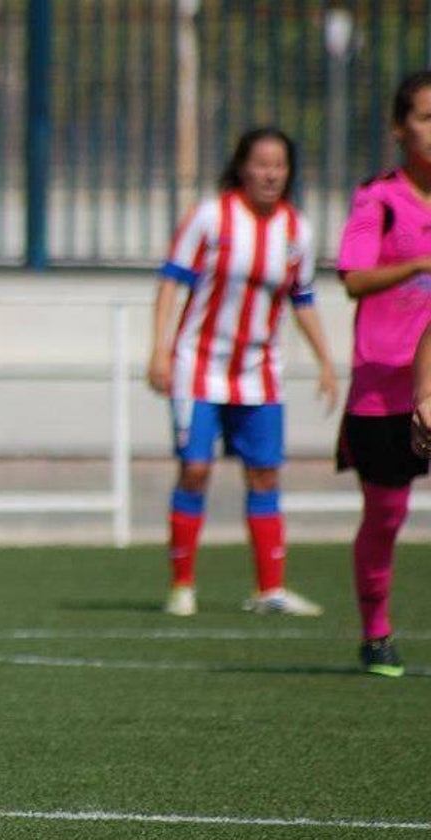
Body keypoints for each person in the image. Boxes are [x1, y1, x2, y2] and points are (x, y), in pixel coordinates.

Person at [148, 127, 338, 618]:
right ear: (242, 167)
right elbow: (172, 282)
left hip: (260, 372)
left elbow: (303, 298)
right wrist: (160, 351)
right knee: (195, 468)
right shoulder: (212, 217)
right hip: (199, 367)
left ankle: (269, 589)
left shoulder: (297, 230)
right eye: (261, 163)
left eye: (280, 165)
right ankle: (181, 585)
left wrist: (326, 361)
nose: (271, 173)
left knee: (264, 472)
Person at [339, 70, 431, 678]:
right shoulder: (379, 200)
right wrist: (419, 263)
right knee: (387, 514)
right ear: (401, 129)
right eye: (427, 118)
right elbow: (353, 278)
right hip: (385, 388)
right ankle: (376, 631)